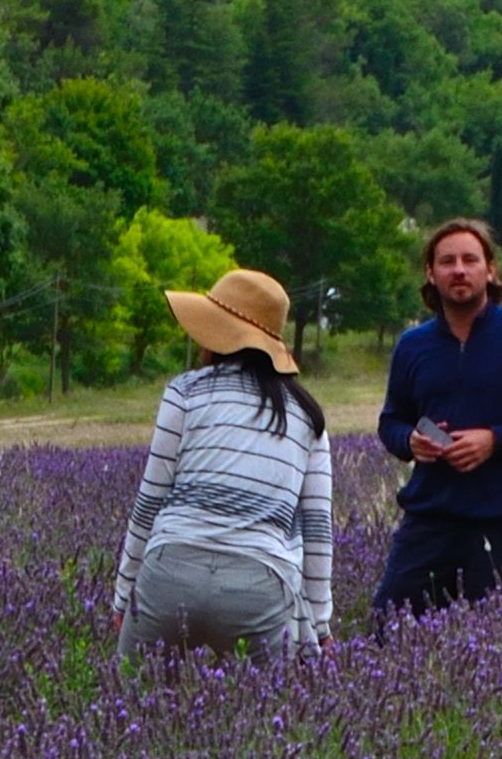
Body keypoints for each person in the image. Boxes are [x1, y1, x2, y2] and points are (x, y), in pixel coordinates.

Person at [115, 266, 336, 660]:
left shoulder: (184, 392)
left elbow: (149, 501)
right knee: (264, 718)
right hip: (260, 589)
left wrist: (123, 594)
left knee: (130, 706)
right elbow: (318, 529)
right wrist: (319, 625)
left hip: (168, 575)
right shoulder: (308, 417)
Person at [371, 216, 502, 615]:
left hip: (499, 524)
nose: (460, 270)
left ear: (491, 269)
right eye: (447, 262)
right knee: (389, 633)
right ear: (431, 274)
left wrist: (494, 441)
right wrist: (410, 441)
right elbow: (391, 420)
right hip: (427, 522)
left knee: (499, 650)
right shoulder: (413, 346)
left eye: (470, 259)